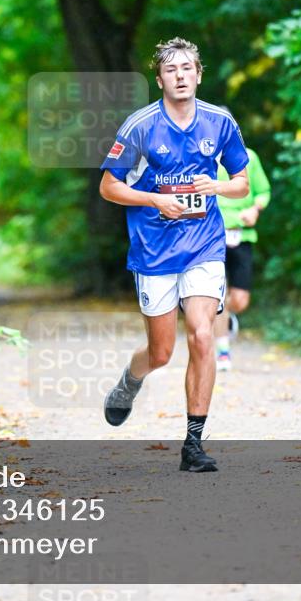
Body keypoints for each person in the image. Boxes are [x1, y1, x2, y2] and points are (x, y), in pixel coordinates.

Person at [99, 37, 250, 473]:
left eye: (188, 68)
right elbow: (109, 186)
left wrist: (217, 186)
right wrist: (154, 201)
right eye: (171, 70)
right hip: (154, 249)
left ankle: (194, 444)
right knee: (161, 352)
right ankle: (130, 382)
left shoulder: (220, 122)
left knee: (203, 334)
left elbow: (241, 182)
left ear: (199, 75)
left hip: (203, 243)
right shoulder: (140, 126)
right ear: (159, 78)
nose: (180, 76)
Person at [214, 148, 270, 371]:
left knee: (239, 300)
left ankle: (216, 317)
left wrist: (255, 209)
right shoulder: (199, 155)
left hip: (242, 234)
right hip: (211, 235)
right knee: (217, 295)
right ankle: (223, 352)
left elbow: (263, 191)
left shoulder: (249, 157)